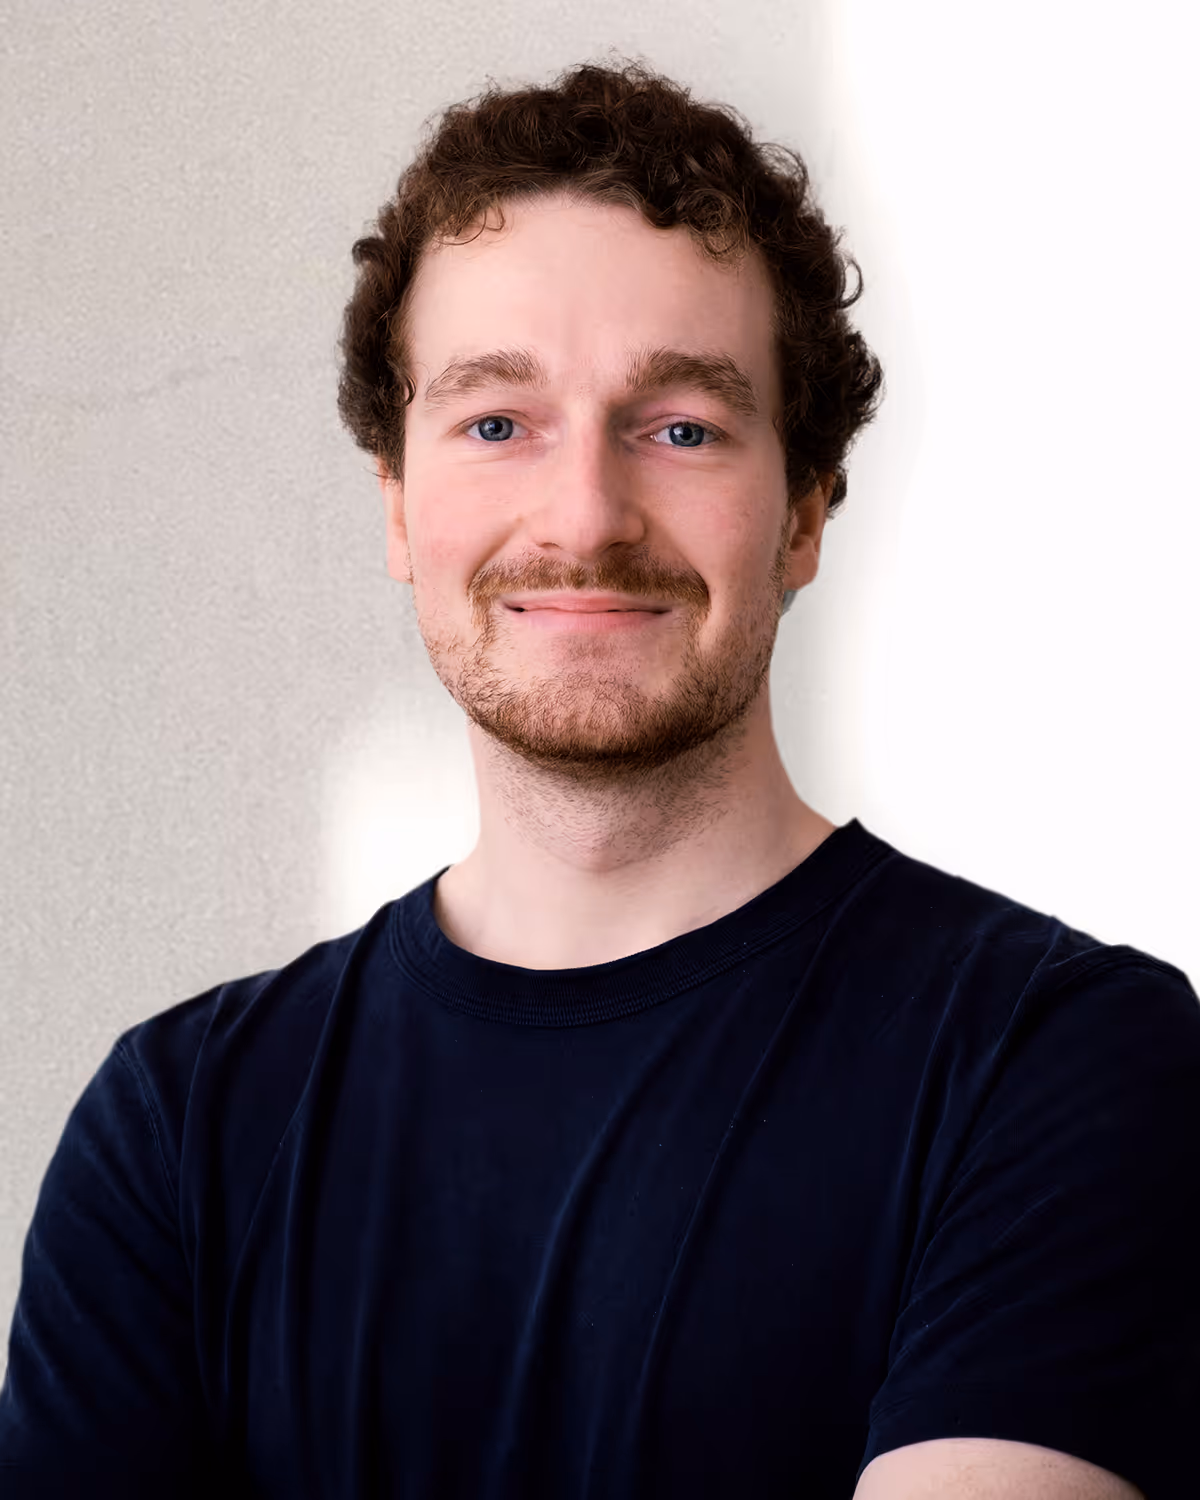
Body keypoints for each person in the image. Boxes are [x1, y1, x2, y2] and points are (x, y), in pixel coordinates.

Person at [1, 54, 1197, 1500]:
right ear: (398, 504)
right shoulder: (177, 1129)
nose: (585, 514)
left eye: (681, 427)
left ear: (806, 511)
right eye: (496, 423)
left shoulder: (1058, 1060)